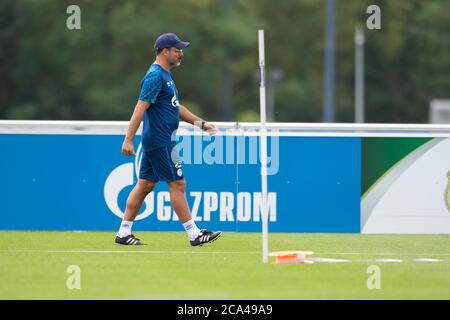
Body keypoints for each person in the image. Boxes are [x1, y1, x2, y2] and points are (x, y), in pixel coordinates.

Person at [115, 33, 222, 246]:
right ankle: (194, 234)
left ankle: (123, 233)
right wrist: (128, 139)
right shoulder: (155, 75)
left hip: (160, 139)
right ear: (165, 51)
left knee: (145, 184)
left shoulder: (165, 75)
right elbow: (140, 107)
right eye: (177, 49)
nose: (181, 53)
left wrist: (201, 123)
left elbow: (175, 107)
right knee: (177, 183)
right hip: (160, 140)